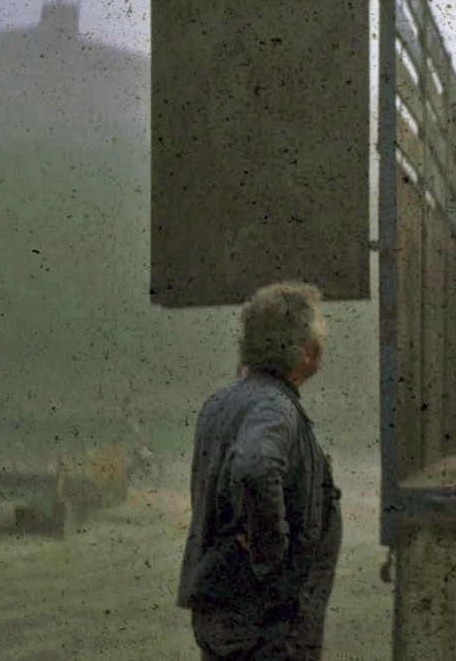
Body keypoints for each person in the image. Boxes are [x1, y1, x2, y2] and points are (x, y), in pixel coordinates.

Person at [177, 281, 342, 660]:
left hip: (224, 608)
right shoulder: (275, 407)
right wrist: (271, 552)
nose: (323, 343)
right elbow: (254, 468)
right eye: (319, 334)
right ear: (303, 350)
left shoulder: (222, 402)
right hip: (267, 621)